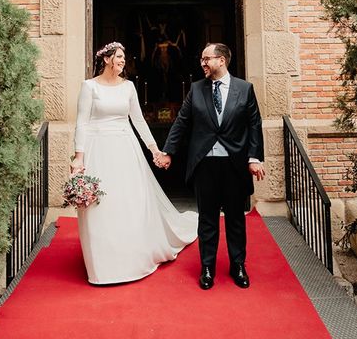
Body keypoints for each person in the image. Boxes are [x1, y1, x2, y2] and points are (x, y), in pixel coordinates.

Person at [71, 41, 198, 284]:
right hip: (98, 149)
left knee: (128, 201)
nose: (122, 61)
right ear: (107, 59)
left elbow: (138, 121)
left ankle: (130, 257)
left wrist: (154, 151)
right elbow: (82, 122)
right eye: (119, 57)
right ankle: (102, 263)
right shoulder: (89, 87)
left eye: (123, 57)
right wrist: (79, 156)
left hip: (125, 149)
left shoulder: (128, 87)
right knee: (100, 204)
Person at [155, 43, 265, 290]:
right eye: (202, 59)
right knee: (207, 219)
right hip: (204, 164)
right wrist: (168, 152)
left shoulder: (244, 89)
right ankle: (207, 267)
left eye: (207, 59)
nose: (202, 63)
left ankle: (238, 265)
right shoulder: (196, 89)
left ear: (222, 60)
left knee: (236, 218)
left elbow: (254, 125)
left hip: (234, 164)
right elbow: (182, 122)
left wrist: (254, 158)